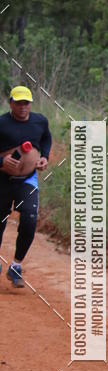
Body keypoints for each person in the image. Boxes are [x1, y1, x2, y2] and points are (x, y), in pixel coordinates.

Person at [0, 86, 51, 288]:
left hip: (27, 181)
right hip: (2, 181)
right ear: (11, 103)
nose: (23, 107)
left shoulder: (40, 122)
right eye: (18, 103)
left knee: (30, 220)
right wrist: (1, 161)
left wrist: (44, 156)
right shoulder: (2, 123)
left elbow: (46, 138)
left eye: (26, 103)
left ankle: (16, 266)